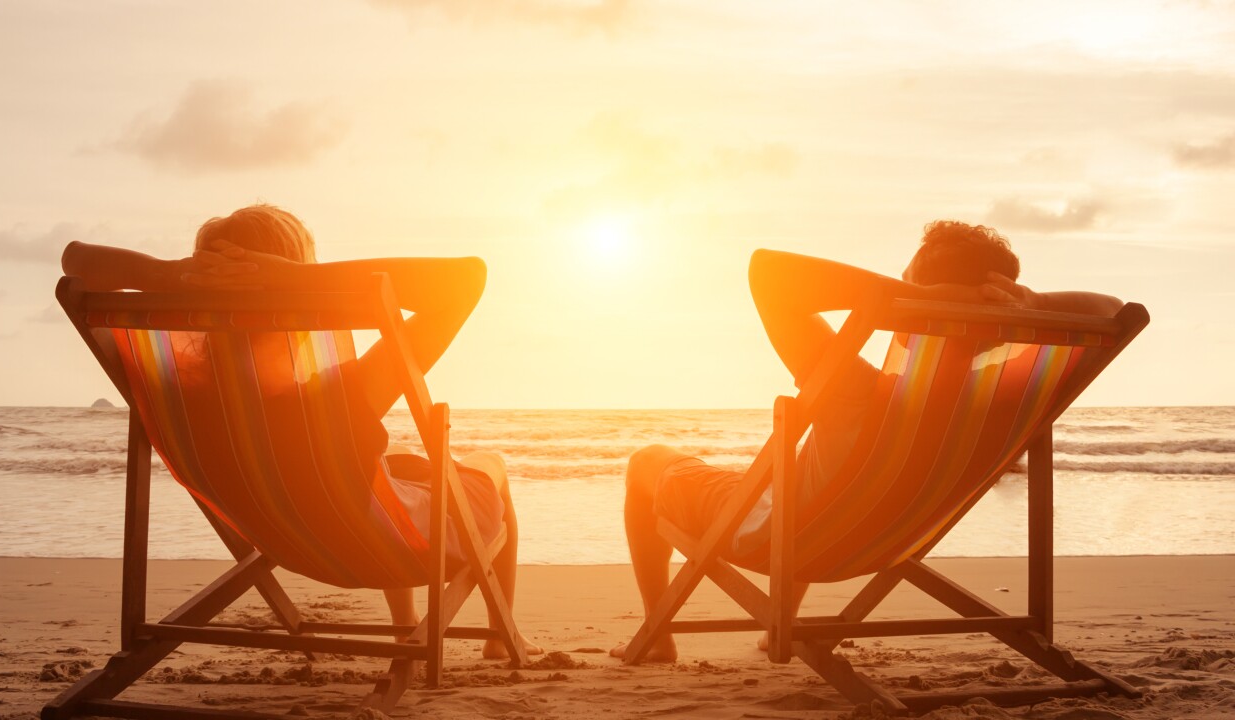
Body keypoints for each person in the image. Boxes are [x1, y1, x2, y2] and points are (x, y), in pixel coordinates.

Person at [611, 220, 1125, 662]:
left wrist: (919, 299)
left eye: (904, 283)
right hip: (891, 543)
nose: (895, 291)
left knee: (647, 461)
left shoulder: (854, 392)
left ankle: (659, 638)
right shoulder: (1003, 401)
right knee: (810, 473)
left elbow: (768, 272)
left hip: (788, 542)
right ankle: (777, 626)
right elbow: (1115, 309)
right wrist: (1030, 303)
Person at [61, 204, 542, 660]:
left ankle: (406, 621)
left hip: (290, 544)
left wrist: (172, 275)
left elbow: (75, 260)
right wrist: (297, 278)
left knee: (393, 463)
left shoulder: (178, 391)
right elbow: (467, 278)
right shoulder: (339, 396)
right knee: (489, 466)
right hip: (398, 551)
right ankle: (503, 634)